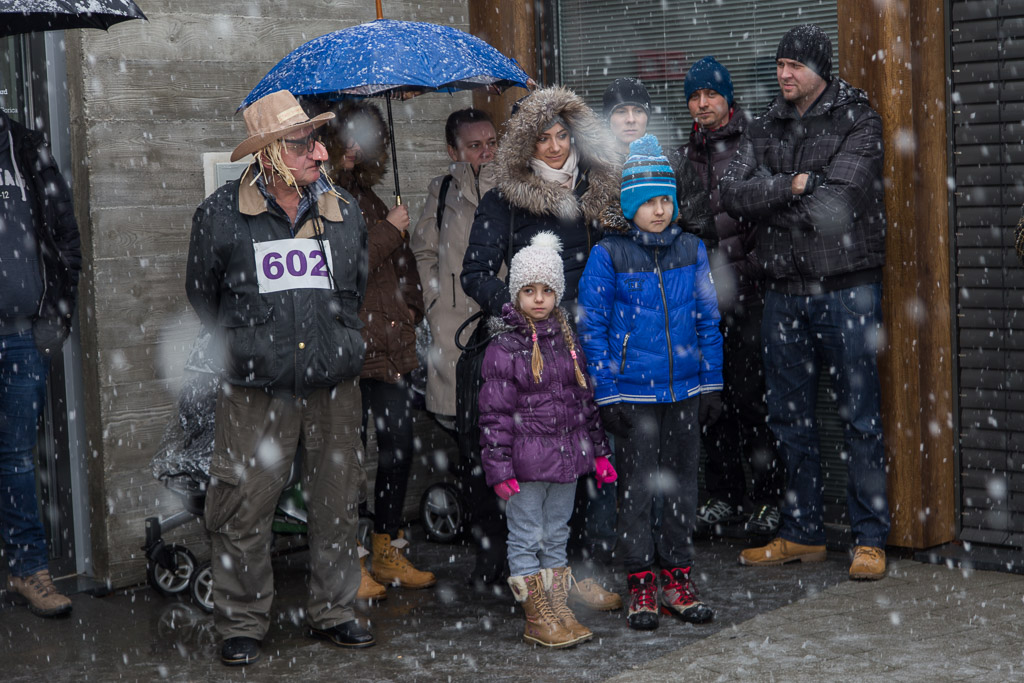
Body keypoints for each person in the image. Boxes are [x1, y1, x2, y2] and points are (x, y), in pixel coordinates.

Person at [186, 90, 371, 665]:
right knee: (242, 508)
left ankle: (335, 611)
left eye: (318, 140)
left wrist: (329, 344)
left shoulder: (344, 211)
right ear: (267, 154)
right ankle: (241, 623)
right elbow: (204, 298)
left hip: (333, 387)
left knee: (337, 504)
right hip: (254, 391)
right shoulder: (220, 216)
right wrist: (258, 347)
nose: (320, 152)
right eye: (302, 144)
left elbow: (354, 292)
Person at [721, 25, 890, 581]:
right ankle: (803, 532)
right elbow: (732, 193)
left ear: (821, 69)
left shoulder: (858, 120)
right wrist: (792, 186)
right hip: (783, 293)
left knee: (859, 417)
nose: (784, 74)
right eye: (779, 64)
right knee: (788, 417)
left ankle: (870, 539)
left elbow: (836, 207)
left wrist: (776, 198)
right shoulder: (767, 122)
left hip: (846, 288)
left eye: (794, 65)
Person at [461, 86, 622, 610]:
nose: (554, 147)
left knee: (589, 455)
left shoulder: (597, 189)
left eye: (561, 136)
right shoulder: (504, 200)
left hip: (590, 342)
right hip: (531, 350)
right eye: (542, 138)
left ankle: (583, 569)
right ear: (524, 145)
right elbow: (475, 273)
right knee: (535, 465)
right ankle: (533, 584)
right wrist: (518, 312)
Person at [578, 134, 723, 631]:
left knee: (682, 487)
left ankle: (678, 577)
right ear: (629, 207)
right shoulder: (609, 255)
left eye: (666, 200)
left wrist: (712, 384)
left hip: (684, 391)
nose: (659, 211)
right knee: (637, 491)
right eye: (648, 202)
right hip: (633, 394)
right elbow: (593, 330)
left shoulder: (691, 249)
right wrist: (607, 394)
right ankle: (641, 579)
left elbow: (708, 320)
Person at [478, 232, 617, 648]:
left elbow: (584, 403)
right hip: (525, 467)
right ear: (516, 294)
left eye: (546, 290)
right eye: (528, 290)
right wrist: (499, 468)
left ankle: (557, 608)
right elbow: (494, 415)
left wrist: (600, 453)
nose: (538, 299)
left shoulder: (567, 342)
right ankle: (536, 617)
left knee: (557, 534)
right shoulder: (504, 347)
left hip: (566, 462)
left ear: (557, 293)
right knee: (525, 536)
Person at [319, 100, 434, 596]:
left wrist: (413, 307)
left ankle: (388, 548)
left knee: (397, 446)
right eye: (348, 136)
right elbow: (345, 265)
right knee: (345, 459)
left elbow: (399, 266)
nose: (355, 147)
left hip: (388, 346)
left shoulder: (366, 194)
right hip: (347, 349)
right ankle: (351, 558)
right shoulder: (319, 197)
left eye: (365, 138)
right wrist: (390, 229)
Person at [680, 57, 784, 537]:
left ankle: (769, 499)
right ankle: (724, 496)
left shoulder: (754, 143)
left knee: (752, 402)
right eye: (694, 97)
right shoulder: (686, 154)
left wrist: (736, 270)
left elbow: (767, 222)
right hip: (702, 302)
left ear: (728, 98)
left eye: (711, 95)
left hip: (750, 296)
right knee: (711, 403)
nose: (702, 104)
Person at [0, 109, 81, 618]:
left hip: (20, 337)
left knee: (16, 459)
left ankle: (28, 569)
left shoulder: (25, 148)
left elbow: (65, 236)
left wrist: (57, 313)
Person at [411, 108, 498, 431]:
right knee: (461, 422)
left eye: (492, 142)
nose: (486, 151)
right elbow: (423, 252)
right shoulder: (442, 191)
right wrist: (435, 301)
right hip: (452, 325)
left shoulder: (512, 189)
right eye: (475, 145)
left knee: (504, 419)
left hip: (503, 320)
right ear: (453, 151)